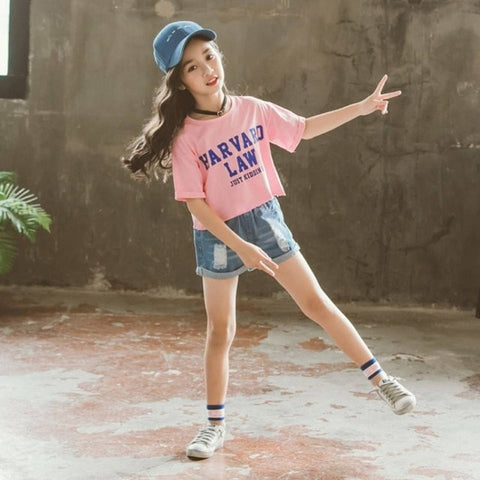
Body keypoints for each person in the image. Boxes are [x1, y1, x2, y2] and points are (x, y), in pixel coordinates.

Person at [123, 20, 416, 460]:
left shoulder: (252, 110)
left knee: (316, 303)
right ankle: (214, 426)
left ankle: (382, 381)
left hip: (264, 219)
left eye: (209, 57)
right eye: (192, 67)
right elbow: (195, 204)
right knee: (221, 330)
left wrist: (361, 108)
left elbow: (304, 128)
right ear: (180, 82)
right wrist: (240, 246)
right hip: (218, 233)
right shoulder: (186, 137)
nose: (207, 70)